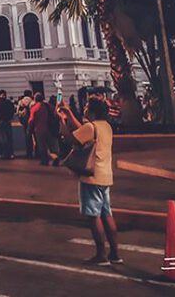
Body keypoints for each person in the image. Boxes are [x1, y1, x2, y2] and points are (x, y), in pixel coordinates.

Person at [59, 96, 122, 265]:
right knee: (107, 214)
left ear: (92, 111)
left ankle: (101, 254)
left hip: (91, 177)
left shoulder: (90, 127)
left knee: (94, 217)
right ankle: (115, 253)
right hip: (105, 176)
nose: (84, 108)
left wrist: (62, 121)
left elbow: (70, 138)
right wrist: (69, 113)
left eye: (86, 106)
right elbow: (84, 130)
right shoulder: (105, 127)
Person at [30, 91, 57, 164]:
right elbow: (55, 114)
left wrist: (29, 130)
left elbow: (31, 120)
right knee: (51, 145)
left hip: (39, 129)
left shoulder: (35, 107)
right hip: (49, 128)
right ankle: (55, 157)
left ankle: (45, 160)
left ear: (35, 99)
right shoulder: (48, 105)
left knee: (42, 146)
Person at [0, 88, 16, 159]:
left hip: (1, 122)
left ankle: (4, 154)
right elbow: (12, 110)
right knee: (9, 138)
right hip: (7, 121)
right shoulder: (8, 102)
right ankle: (10, 153)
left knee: (3, 138)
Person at [17, 90, 34, 158]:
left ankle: (29, 153)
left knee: (27, 137)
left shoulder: (21, 102)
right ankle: (37, 151)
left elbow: (18, 112)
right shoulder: (32, 101)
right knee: (35, 137)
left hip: (25, 121)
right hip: (32, 121)